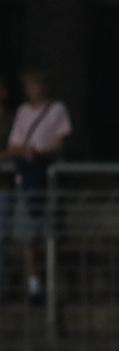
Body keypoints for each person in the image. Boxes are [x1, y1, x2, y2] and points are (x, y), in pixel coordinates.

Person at [6, 70, 71, 302]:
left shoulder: (57, 110)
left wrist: (41, 153)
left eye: (35, 84)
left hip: (47, 179)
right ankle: (34, 285)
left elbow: (60, 143)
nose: (32, 89)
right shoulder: (23, 111)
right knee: (27, 236)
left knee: (50, 235)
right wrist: (23, 153)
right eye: (28, 85)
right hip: (27, 180)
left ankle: (51, 284)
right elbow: (13, 145)